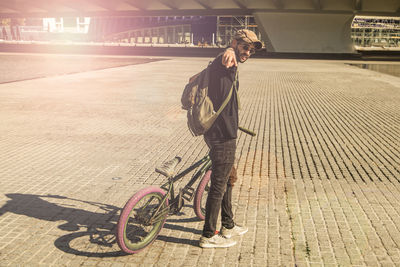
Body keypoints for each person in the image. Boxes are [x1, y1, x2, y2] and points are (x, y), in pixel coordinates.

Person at [199, 29, 262, 248]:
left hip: (224, 132)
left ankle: (227, 224)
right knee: (218, 185)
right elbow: (225, 56)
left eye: (251, 50)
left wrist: (231, 51)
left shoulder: (231, 64)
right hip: (221, 134)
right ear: (234, 43)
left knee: (227, 179)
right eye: (245, 47)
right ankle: (208, 235)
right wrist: (228, 50)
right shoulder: (226, 60)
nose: (248, 52)